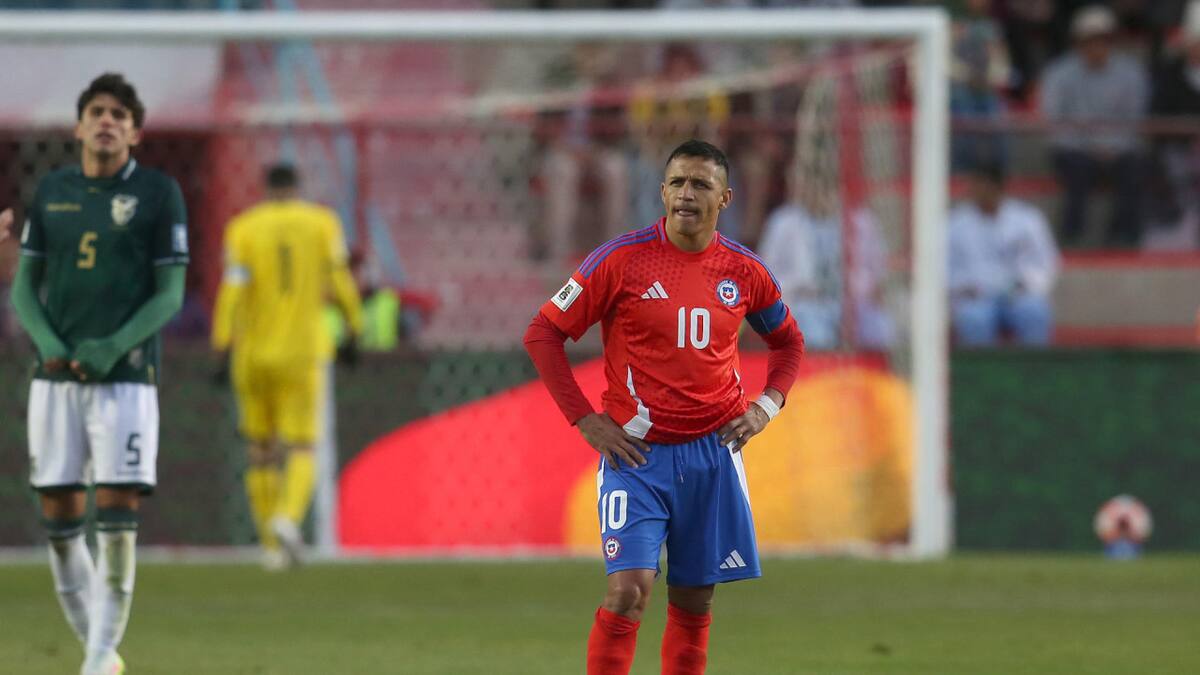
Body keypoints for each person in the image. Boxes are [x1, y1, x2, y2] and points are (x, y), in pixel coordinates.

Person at [523, 140, 805, 675]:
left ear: (725, 198)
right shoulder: (621, 260)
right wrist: (584, 419)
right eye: (676, 183)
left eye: (700, 184)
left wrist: (765, 407)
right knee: (628, 591)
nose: (686, 194)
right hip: (637, 456)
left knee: (695, 603)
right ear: (662, 192)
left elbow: (789, 343)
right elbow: (543, 333)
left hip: (713, 455)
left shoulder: (744, 270)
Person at [9, 73, 189, 675]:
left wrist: (113, 345)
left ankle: (94, 664)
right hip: (55, 384)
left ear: (135, 133)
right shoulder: (52, 192)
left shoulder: (159, 194)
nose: (107, 121)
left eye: (119, 114)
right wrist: (49, 344)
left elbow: (170, 295)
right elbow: (24, 289)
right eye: (97, 112)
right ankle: (104, 655)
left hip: (126, 383)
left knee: (116, 524)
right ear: (78, 127)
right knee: (61, 528)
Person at [210, 164, 363, 570]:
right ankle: (287, 518)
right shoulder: (322, 224)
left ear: (265, 189)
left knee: (260, 450)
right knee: (302, 445)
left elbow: (232, 292)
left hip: (252, 354)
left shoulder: (243, 228)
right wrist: (354, 327)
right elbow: (341, 281)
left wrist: (222, 344)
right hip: (302, 353)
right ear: (298, 188)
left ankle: (271, 548)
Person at [1040, 4, 1149, 246]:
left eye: (1103, 40)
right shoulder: (1058, 73)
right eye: (1089, 40)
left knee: (1134, 168)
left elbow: (1135, 120)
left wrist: (1111, 146)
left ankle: (1122, 238)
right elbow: (1054, 121)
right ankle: (1071, 238)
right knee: (1077, 169)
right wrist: (1090, 146)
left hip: (1119, 149)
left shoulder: (1131, 73)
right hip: (1074, 149)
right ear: (1078, 42)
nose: (1096, 46)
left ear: (1112, 42)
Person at [757, 170, 895, 351]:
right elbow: (764, 277)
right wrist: (796, 289)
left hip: (853, 302)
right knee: (816, 331)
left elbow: (879, 271)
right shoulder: (783, 222)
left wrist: (857, 290)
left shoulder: (861, 221)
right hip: (804, 302)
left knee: (882, 328)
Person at [948, 159, 1060, 346]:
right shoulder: (954, 224)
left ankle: (1034, 364)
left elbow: (1046, 262)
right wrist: (960, 287)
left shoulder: (1027, 219)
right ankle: (981, 366)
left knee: (1035, 311)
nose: (974, 190)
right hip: (974, 297)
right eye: (973, 184)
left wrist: (1027, 283)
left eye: (981, 184)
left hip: (1018, 294)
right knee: (974, 318)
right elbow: (943, 266)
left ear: (996, 186)